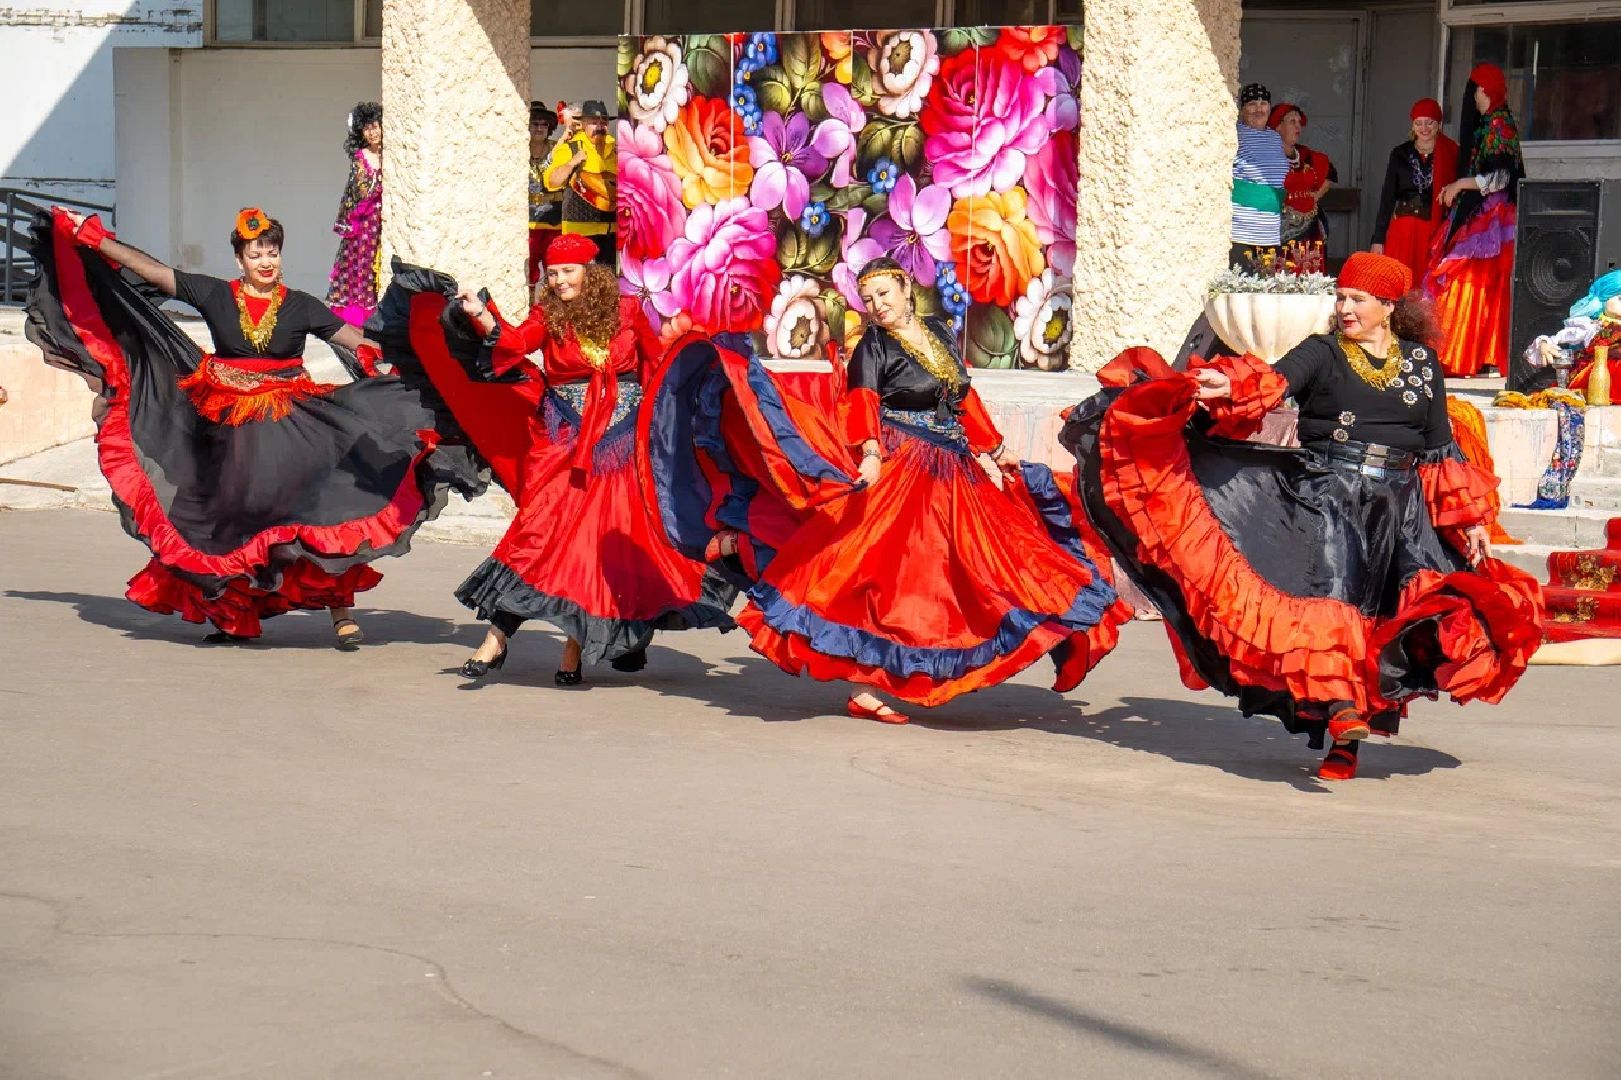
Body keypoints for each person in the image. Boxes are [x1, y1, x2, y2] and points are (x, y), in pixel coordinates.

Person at [1060, 251, 1543, 781]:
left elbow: (1438, 447)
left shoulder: (1422, 363)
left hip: (1399, 509)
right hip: (1328, 497)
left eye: (1358, 299)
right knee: (1330, 607)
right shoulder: (1322, 351)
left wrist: (1470, 521)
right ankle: (1340, 713)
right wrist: (1226, 385)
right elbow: (1273, 382)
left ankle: (1347, 739)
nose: (1345, 308)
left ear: (1389, 306)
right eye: (1341, 298)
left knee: (1391, 620)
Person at [668, 258, 1126, 721]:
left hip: (953, 468)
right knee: (882, 575)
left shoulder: (940, 332)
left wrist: (996, 448)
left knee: (984, 562)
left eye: (884, 294)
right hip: (903, 464)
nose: (877, 306)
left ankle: (984, 647)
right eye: (868, 300)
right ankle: (865, 686)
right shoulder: (873, 346)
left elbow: (963, 397)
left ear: (906, 288)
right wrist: (870, 453)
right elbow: (862, 403)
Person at [24, 206, 482, 645]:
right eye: (256, 253)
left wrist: (427, 349)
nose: (266, 261)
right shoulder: (216, 294)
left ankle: (339, 610)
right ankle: (233, 616)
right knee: (231, 521)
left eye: (272, 252)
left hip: (292, 427)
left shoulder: (301, 305)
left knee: (317, 512)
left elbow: (358, 341)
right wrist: (95, 239)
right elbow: (155, 273)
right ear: (240, 260)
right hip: (229, 431)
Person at [438, 234, 733, 683]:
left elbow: (657, 367)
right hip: (566, 442)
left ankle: (572, 650)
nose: (558, 281)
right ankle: (497, 637)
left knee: (599, 546)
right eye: (552, 274)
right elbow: (515, 342)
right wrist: (481, 314)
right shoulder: (548, 316)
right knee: (540, 531)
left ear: (591, 273)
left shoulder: (629, 311)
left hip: (622, 446)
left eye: (567, 271)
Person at [1424, 63, 1523, 378]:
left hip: (1491, 217)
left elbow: (1500, 177)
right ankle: (1466, 353)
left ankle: (1461, 353)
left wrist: (1459, 185)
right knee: (1471, 283)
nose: (1472, 97)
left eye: (1475, 90)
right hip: (1479, 211)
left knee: (1468, 280)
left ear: (1484, 90)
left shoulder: (1499, 124)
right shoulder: (1489, 122)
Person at [1371, 98, 1459, 285]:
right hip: (1402, 231)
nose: (1424, 128)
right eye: (1419, 123)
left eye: (1429, 122)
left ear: (1438, 123)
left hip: (1434, 233)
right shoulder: (1399, 153)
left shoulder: (1451, 152)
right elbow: (1387, 198)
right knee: (1399, 286)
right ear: (1412, 125)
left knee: (1427, 289)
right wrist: (1378, 239)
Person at [327, 101, 384, 326]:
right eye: (366, 128)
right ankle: (360, 314)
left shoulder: (391, 155)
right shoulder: (361, 157)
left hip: (382, 223)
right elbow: (360, 191)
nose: (372, 132)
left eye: (375, 126)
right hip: (365, 224)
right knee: (362, 265)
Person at [542, 100, 616, 266]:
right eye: (594, 122)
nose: (600, 126)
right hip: (578, 234)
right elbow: (552, 182)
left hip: (611, 235)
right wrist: (572, 163)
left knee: (607, 281)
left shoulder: (616, 150)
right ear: (582, 124)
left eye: (604, 122)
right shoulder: (570, 148)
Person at [1231, 83, 1290, 268]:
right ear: (1242, 109)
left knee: (1266, 280)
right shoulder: (1235, 134)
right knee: (1241, 279)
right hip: (1242, 230)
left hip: (1270, 230)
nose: (1259, 109)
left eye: (1263, 103)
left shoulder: (1274, 137)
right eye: (1252, 104)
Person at [1268, 102, 1337, 247]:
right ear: (1278, 126)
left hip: (1310, 231)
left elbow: (1330, 172)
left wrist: (1316, 196)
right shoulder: (1267, 158)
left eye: (1299, 122)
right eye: (1292, 122)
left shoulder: (1306, 155)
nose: (1298, 126)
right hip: (1279, 233)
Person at [527, 101, 564, 285]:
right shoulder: (517, 148)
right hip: (527, 221)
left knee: (554, 266)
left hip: (554, 220)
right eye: (535, 123)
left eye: (544, 124)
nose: (540, 128)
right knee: (528, 269)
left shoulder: (558, 148)